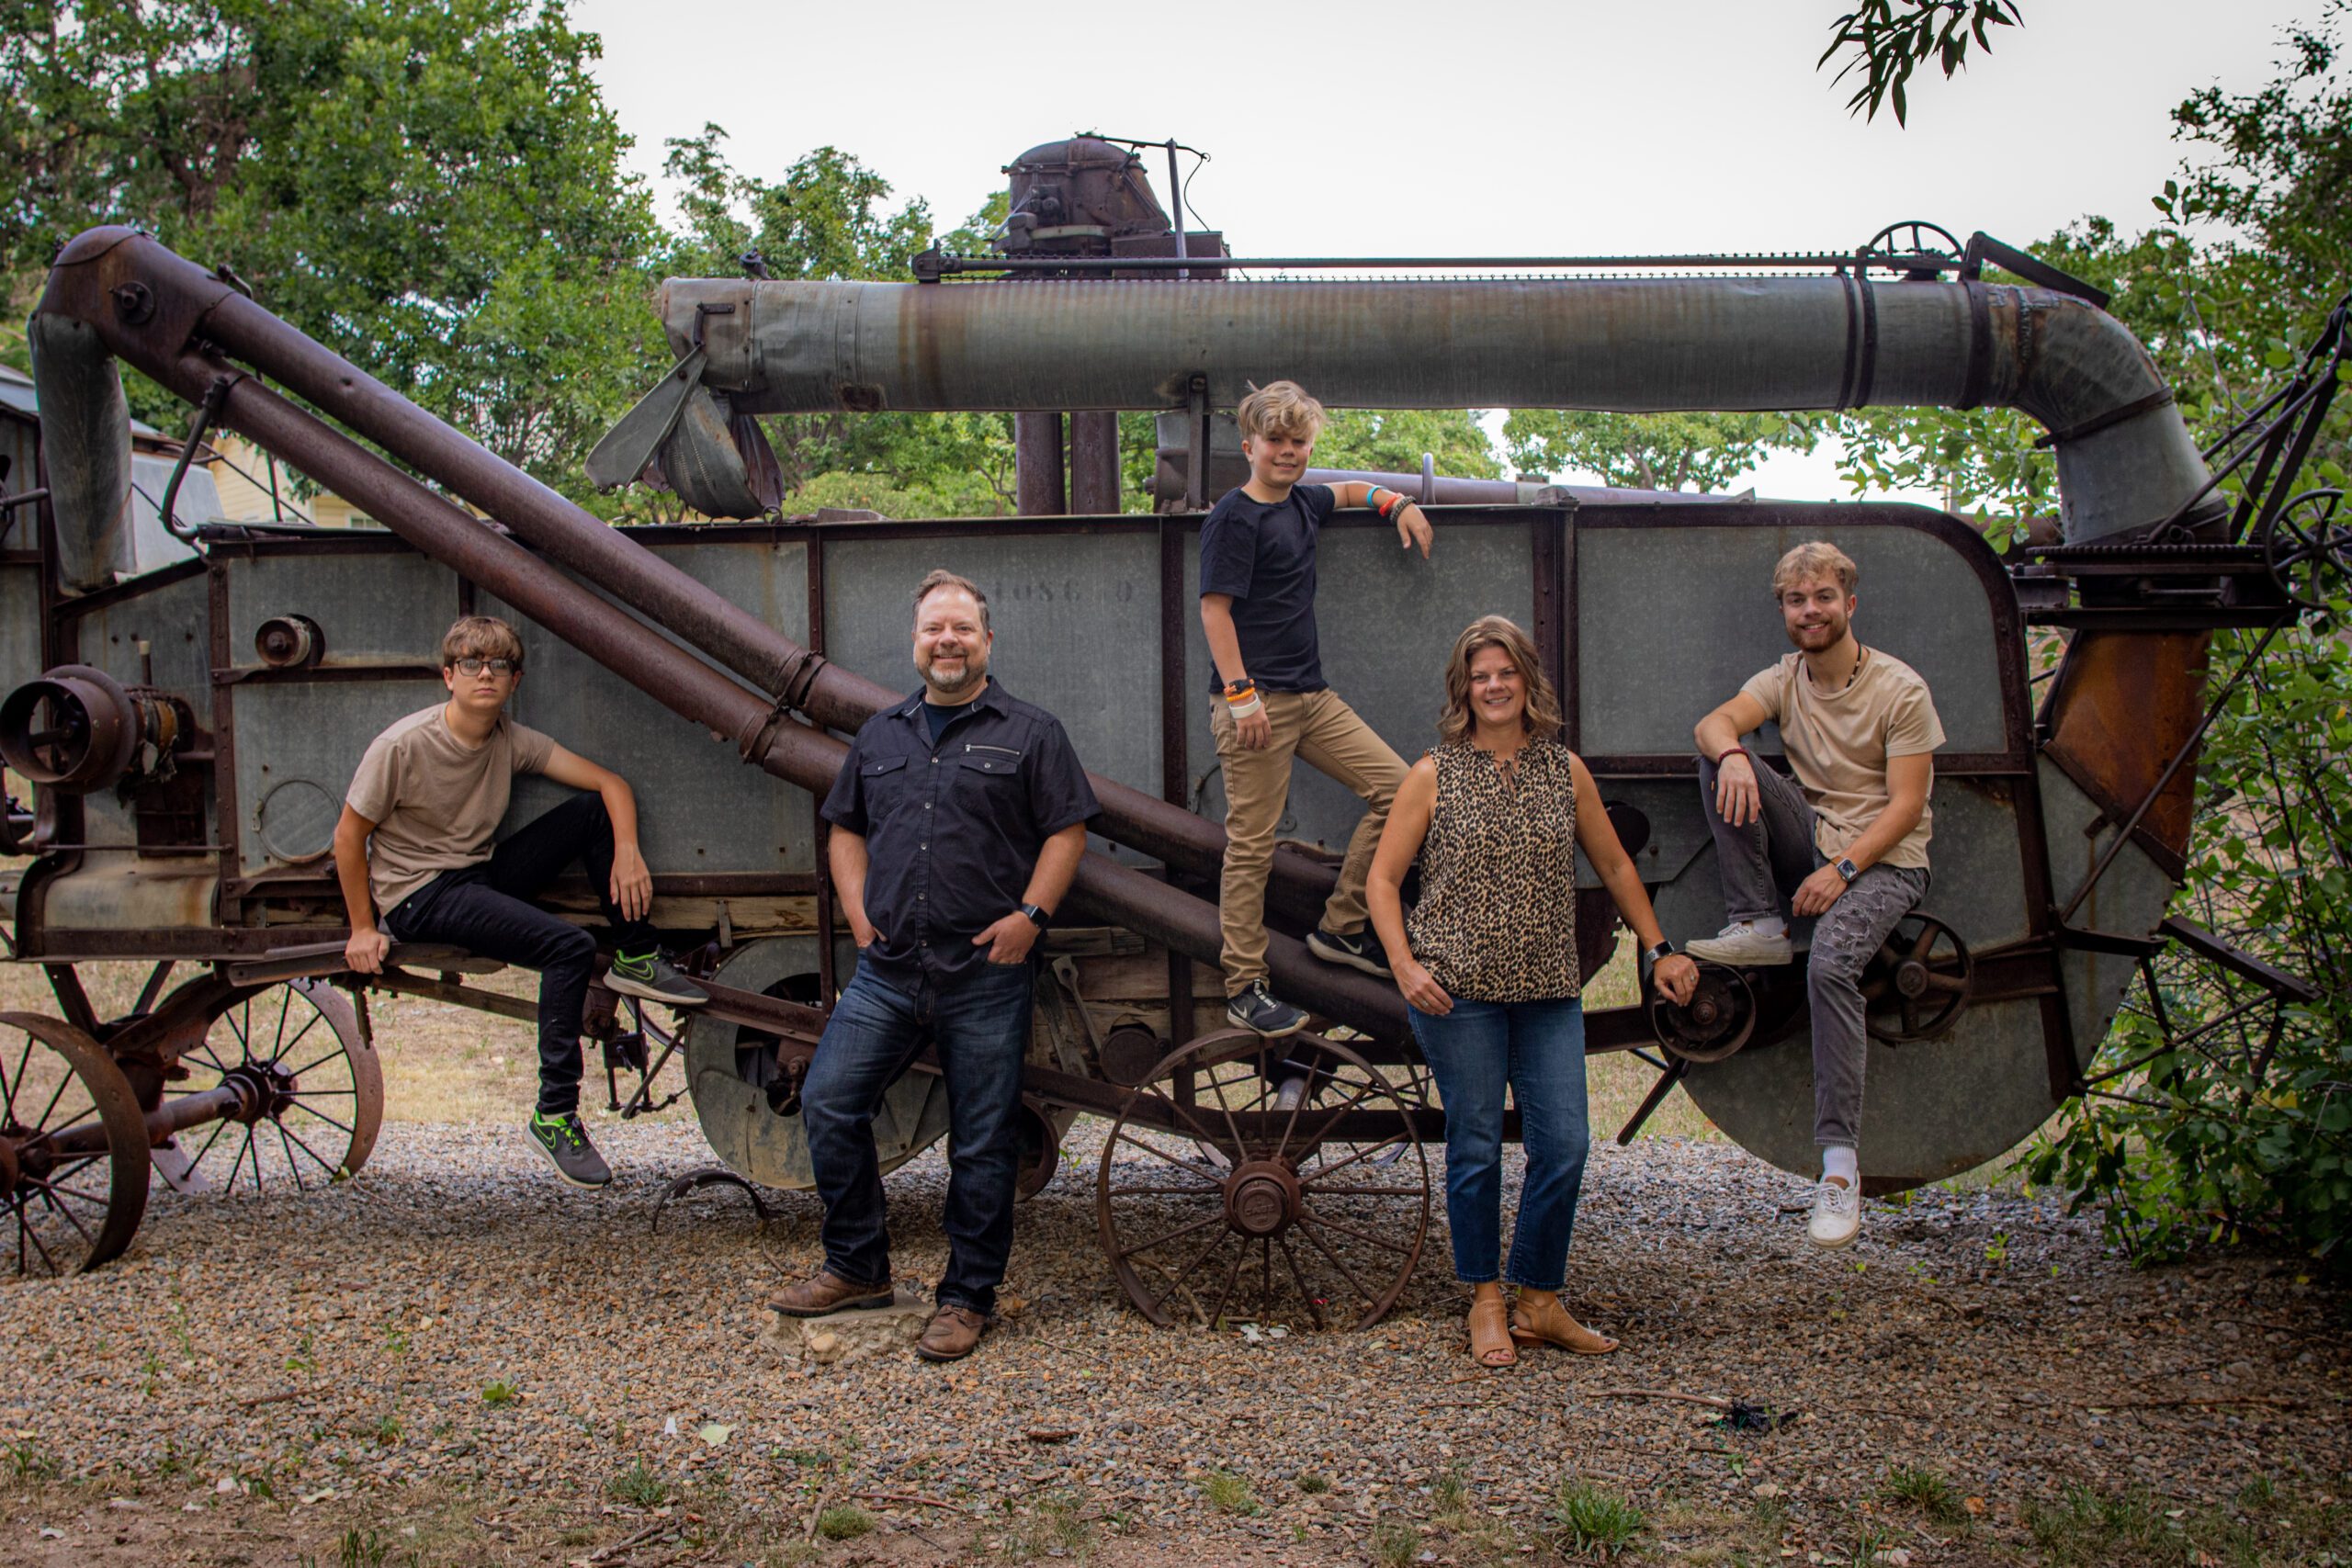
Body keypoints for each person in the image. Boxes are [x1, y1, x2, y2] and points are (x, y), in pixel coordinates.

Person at [767, 570, 1096, 1362]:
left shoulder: (1031, 731)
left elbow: (1067, 831)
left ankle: (966, 1297)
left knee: (981, 1140)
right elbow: (843, 827)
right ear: (916, 643)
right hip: (888, 970)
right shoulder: (881, 734)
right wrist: (856, 911)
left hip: (984, 970)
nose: (946, 640)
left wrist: (1030, 918)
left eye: (961, 628)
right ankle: (858, 1265)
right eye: (932, 629)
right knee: (829, 1099)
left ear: (987, 641)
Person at [1369, 615, 1699, 1368]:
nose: (1494, 686)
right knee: (1477, 1145)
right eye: (1480, 675)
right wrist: (1404, 964)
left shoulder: (1564, 771)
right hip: (1459, 994)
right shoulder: (1433, 773)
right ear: (1465, 688)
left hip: (1549, 988)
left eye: (1505, 673)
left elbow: (1615, 868)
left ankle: (1539, 1299)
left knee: (1565, 1143)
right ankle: (1486, 1299)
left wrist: (1660, 948)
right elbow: (1382, 880)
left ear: (1526, 682)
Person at [334, 615, 707, 1189]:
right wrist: (363, 928)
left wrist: (628, 850)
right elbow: (348, 835)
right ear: (448, 677)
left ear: (514, 681)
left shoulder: (510, 740)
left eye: (499, 665)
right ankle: (554, 1114)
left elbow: (611, 785)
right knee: (569, 948)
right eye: (471, 664)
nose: (485, 673)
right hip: (420, 894)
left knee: (591, 811)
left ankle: (637, 956)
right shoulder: (404, 745)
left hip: (476, 876)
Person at [1686, 541, 1944, 1249]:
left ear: (1849, 604)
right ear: (1784, 610)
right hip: (1817, 842)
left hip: (1887, 860)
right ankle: (1757, 921)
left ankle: (1837, 1173)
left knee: (1829, 965)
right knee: (1715, 754)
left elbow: (1906, 805)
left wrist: (1846, 871)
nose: (1811, 611)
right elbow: (1715, 722)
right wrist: (1736, 752)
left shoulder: (1900, 689)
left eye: (1824, 597)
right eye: (1798, 601)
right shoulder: (1784, 679)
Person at [1201, 379, 1434, 1038]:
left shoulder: (1304, 504)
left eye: (1299, 441)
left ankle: (1342, 926)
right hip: (1256, 702)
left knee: (1400, 790)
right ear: (1249, 445)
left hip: (1311, 696)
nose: (1288, 451)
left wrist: (1396, 502)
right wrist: (1242, 695)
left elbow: (1353, 490)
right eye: (1275, 440)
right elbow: (1214, 610)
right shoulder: (1234, 517)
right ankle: (1244, 984)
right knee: (1251, 844)